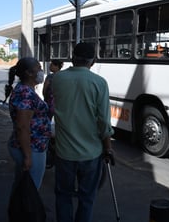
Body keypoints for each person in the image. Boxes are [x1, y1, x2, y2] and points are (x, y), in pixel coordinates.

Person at [52, 42, 115, 222]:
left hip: (64, 153)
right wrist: (108, 148)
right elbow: (103, 121)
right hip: (91, 153)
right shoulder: (99, 83)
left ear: (72, 58)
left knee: (63, 196)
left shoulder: (58, 79)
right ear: (93, 61)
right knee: (87, 198)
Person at [7, 57, 52, 190]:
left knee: (22, 187)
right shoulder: (25, 93)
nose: (41, 71)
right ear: (28, 73)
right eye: (38, 68)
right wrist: (27, 156)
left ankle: (16, 210)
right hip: (32, 148)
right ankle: (24, 211)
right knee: (30, 190)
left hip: (31, 146)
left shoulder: (26, 90)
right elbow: (22, 126)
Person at [42, 59, 63, 169]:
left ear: (56, 66)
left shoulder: (50, 77)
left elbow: (45, 89)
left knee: (47, 122)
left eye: (52, 65)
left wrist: (46, 97)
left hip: (50, 102)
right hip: (59, 103)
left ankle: (49, 143)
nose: (50, 66)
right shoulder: (63, 76)